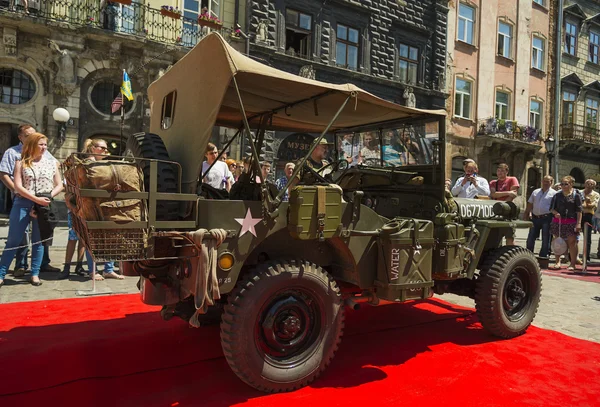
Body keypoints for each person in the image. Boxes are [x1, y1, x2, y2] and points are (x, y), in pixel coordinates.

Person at [0, 133, 63, 288]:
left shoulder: (51, 163)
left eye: (45, 145)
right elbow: (18, 187)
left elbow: (60, 184)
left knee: (39, 241)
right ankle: (1, 274)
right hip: (23, 203)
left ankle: (35, 273)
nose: (44, 148)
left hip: (44, 203)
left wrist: (47, 198)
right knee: (14, 240)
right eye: (40, 144)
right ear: (32, 145)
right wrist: (36, 200)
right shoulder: (20, 163)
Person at [80, 138, 123, 280]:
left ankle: (108, 269)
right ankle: (93, 270)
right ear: (93, 148)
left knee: (111, 237)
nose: (105, 151)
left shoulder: (106, 164)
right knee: (93, 239)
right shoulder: (85, 164)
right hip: (91, 204)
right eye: (102, 148)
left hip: (106, 204)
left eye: (106, 148)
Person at [549, 176, 582, 271]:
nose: (563, 186)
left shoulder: (576, 195)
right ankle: (557, 262)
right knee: (557, 242)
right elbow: (551, 208)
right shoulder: (557, 195)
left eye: (566, 184)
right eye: (562, 184)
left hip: (571, 221)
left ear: (571, 184)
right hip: (558, 222)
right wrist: (555, 213)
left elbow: (579, 211)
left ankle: (572, 263)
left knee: (572, 242)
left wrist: (578, 223)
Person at [524, 175, 556, 258]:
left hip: (547, 218)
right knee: (531, 237)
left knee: (546, 238)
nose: (545, 183)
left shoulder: (554, 194)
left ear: (551, 182)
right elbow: (530, 204)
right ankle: (528, 254)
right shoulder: (535, 192)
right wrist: (526, 214)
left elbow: (555, 207)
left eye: (548, 181)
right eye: (544, 181)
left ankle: (543, 255)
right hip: (535, 217)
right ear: (542, 182)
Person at [490, 163, 520, 245]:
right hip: (496, 211)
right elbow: (493, 194)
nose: (500, 173)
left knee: (509, 236)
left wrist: (503, 205)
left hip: (508, 212)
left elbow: (513, 195)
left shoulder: (512, 179)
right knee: (495, 236)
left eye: (502, 171)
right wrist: (508, 192)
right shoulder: (493, 182)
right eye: (498, 171)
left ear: (507, 172)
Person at [580, 179, 599, 262]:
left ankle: (586, 257)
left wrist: (584, 203)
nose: (589, 185)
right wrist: (585, 204)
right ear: (584, 184)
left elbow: (592, 205)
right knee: (573, 237)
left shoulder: (596, 194)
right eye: (588, 183)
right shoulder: (579, 192)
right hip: (578, 215)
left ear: (594, 186)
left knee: (587, 237)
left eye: (591, 184)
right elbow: (577, 204)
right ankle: (572, 256)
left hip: (589, 216)